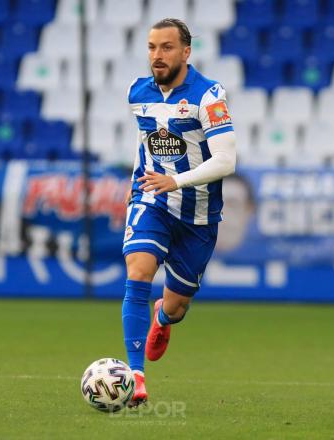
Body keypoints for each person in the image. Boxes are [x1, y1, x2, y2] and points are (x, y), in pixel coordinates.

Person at [121, 18, 237, 407]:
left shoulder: (209, 96)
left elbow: (226, 161)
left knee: (177, 306)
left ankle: (163, 319)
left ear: (186, 52)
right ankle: (134, 377)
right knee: (138, 270)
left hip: (199, 214)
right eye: (152, 47)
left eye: (166, 47)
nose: (157, 55)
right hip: (152, 198)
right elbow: (145, 140)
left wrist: (179, 181)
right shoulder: (137, 92)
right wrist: (138, 181)